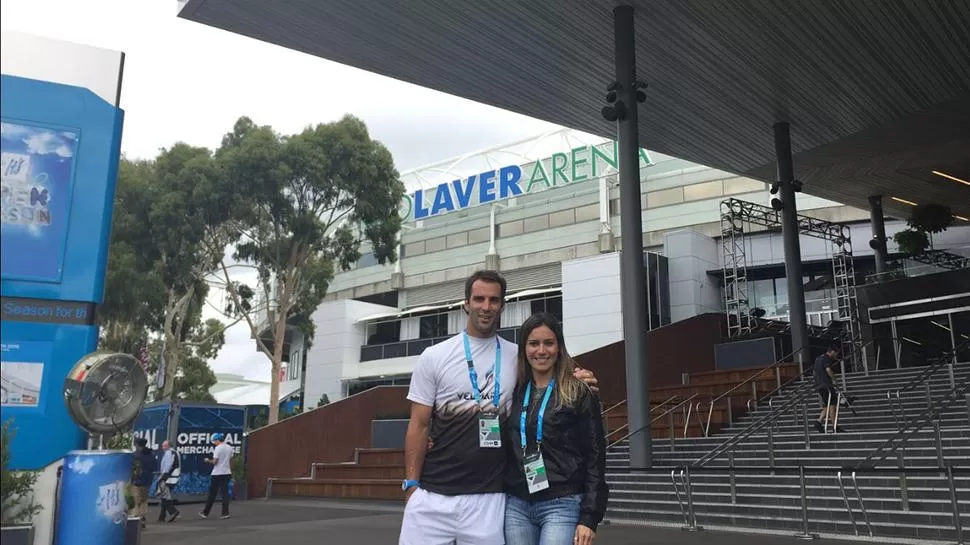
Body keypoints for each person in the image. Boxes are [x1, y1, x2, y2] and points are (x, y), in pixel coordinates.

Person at [399, 270, 598, 545]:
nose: (486, 306)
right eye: (479, 299)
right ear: (465, 303)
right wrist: (411, 485)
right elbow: (418, 425)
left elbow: (553, 368)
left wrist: (582, 378)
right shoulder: (434, 357)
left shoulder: (517, 357)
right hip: (433, 495)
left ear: (502, 306)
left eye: (494, 300)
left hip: (489, 499)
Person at [503, 313, 608, 545]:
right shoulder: (515, 390)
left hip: (563, 503)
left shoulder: (578, 391)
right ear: (524, 349)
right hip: (517, 504)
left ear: (559, 347)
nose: (541, 351)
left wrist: (589, 517)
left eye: (548, 343)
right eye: (533, 343)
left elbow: (595, 456)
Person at [199, 432, 233, 519]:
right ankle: (225, 513)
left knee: (212, 494)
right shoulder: (229, 447)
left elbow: (215, 461)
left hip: (217, 473)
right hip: (227, 472)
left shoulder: (218, 448)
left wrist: (208, 460)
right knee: (225, 493)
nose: (213, 442)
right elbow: (230, 459)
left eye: (214, 441)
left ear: (218, 440)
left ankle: (205, 513)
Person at [814, 343, 844, 433]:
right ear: (832, 352)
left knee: (827, 404)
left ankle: (819, 422)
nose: (836, 356)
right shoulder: (827, 359)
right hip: (826, 385)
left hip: (819, 385)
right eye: (836, 353)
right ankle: (835, 426)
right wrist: (834, 379)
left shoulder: (818, 359)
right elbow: (828, 370)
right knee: (832, 405)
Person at [131, 437, 157, 529]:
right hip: (147, 481)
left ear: (137, 445)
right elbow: (154, 468)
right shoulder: (151, 455)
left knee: (135, 501)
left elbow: (135, 470)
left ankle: (136, 519)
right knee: (144, 500)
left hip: (137, 481)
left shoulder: (136, 456)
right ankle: (142, 518)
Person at [156, 440, 181, 522]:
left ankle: (173, 511)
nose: (162, 447)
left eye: (164, 446)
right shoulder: (175, 452)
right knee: (164, 496)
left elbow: (167, 466)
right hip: (173, 477)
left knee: (165, 496)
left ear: (168, 446)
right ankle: (162, 516)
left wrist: (163, 476)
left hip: (168, 477)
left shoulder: (169, 453)